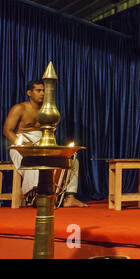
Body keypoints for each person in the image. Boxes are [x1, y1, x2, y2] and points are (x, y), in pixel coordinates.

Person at [3, 80, 87, 208]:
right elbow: (7, 131)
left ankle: (69, 197)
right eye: (38, 90)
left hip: (43, 145)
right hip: (21, 146)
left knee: (72, 159)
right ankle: (37, 196)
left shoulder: (49, 110)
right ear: (29, 92)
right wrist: (22, 145)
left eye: (44, 91)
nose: (42, 93)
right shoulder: (20, 108)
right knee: (34, 161)